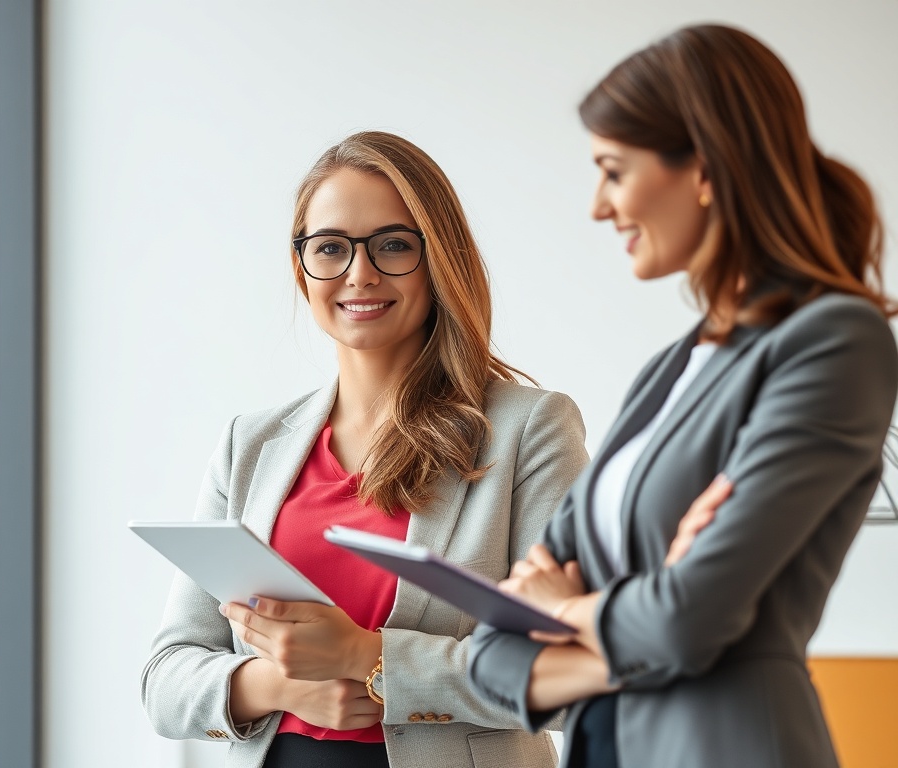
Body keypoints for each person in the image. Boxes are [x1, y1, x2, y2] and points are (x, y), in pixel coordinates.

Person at [467, 23, 898, 768]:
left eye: (613, 170)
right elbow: (487, 654)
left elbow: (688, 621)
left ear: (703, 167)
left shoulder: (834, 341)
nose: (600, 207)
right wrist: (635, 623)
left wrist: (566, 610)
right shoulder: (671, 367)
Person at [140, 131, 590, 768]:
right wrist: (277, 683)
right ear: (303, 268)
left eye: (394, 245)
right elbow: (165, 680)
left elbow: (577, 674)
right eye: (330, 248)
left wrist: (370, 660)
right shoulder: (251, 444)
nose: (361, 273)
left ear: (440, 260)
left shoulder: (529, 429)